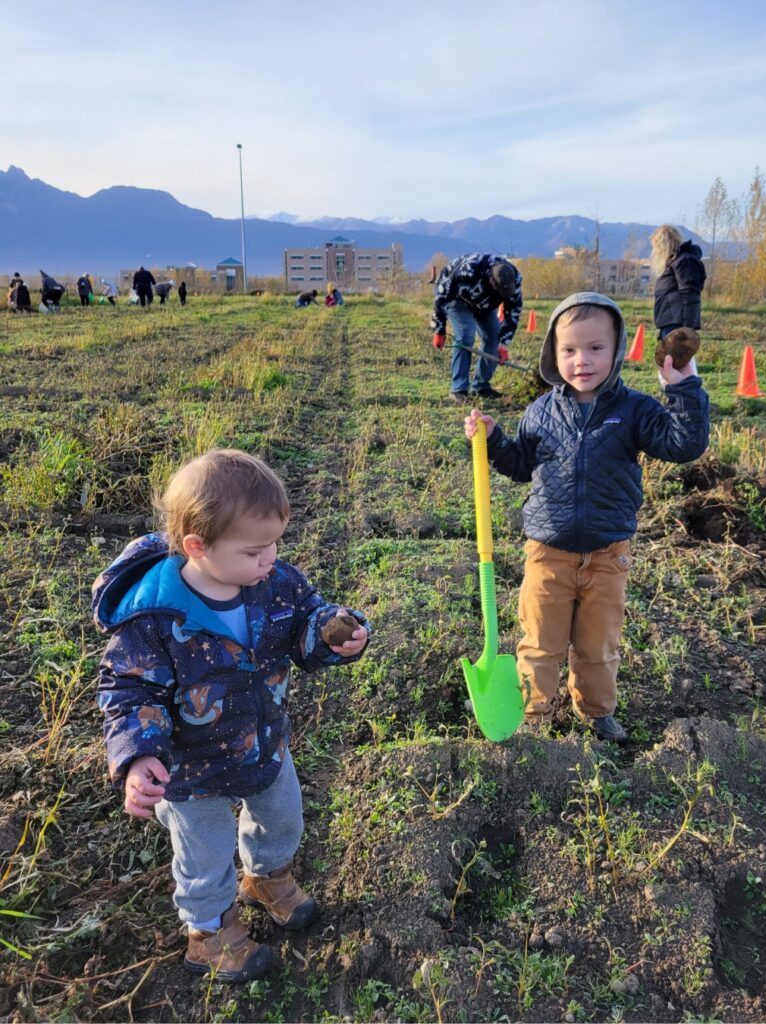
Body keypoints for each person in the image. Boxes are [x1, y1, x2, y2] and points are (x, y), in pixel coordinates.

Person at [93, 449, 371, 983]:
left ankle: (267, 877)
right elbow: (128, 689)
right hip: (189, 771)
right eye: (255, 550)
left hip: (263, 741)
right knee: (206, 853)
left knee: (283, 815)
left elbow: (306, 622)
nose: (270, 558)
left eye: (274, 544)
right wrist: (138, 755)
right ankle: (208, 931)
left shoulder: (275, 583)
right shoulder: (155, 618)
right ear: (198, 547)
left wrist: (333, 631)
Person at [463, 292, 709, 743]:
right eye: (570, 350)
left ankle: (596, 713)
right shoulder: (541, 412)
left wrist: (682, 387)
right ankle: (532, 716)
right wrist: (493, 440)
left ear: (616, 351)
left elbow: (683, 445)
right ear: (553, 355)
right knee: (540, 642)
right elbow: (520, 465)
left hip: (607, 554)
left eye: (596, 348)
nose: (582, 360)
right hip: (547, 552)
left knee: (599, 646)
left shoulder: (634, 410)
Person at [431, 254, 523, 403]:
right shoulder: (468, 271)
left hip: (484, 305)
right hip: (457, 299)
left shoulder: (515, 279)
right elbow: (441, 297)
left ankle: (481, 387)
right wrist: (439, 330)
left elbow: (513, 312)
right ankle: (458, 389)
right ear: (491, 281)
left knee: (494, 335)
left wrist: (504, 344)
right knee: (466, 335)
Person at [650, 225, 706, 380]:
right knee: (669, 367)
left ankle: (687, 399)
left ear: (664, 244)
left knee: (676, 367)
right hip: (670, 322)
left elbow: (691, 293)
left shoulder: (685, 261)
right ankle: (675, 398)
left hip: (677, 323)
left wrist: (687, 328)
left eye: (656, 246)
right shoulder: (675, 262)